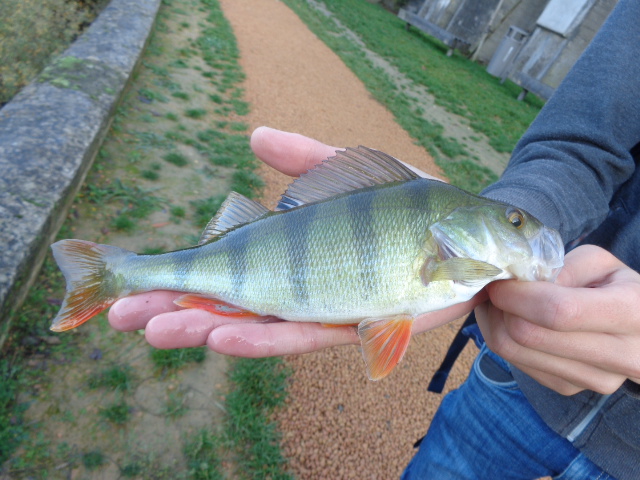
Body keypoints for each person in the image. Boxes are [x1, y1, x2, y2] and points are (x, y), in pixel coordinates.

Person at [109, 0, 640, 477]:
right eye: (516, 221)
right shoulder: (457, 256)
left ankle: (125, 271)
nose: (525, 228)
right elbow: (581, 144)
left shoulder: (454, 254)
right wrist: (536, 209)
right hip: (517, 384)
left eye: (518, 222)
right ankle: (121, 272)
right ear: (459, 226)